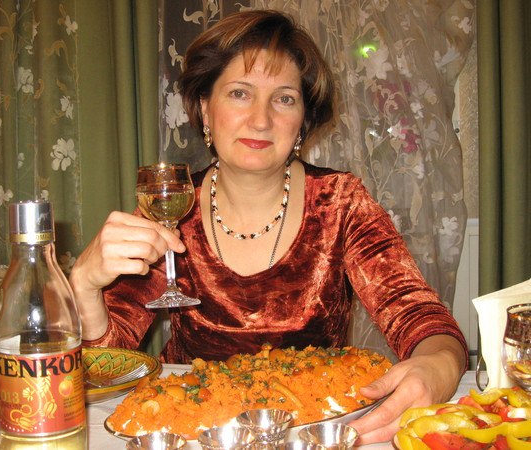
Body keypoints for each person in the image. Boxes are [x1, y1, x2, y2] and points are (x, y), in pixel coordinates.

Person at [69, 9, 468, 444]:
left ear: (303, 120)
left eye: (284, 99)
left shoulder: (341, 201)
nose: (261, 120)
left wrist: (440, 365)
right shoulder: (171, 209)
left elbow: (420, 317)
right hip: (194, 428)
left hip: (312, 428)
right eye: (240, 93)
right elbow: (107, 364)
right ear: (205, 108)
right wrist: (84, 286)